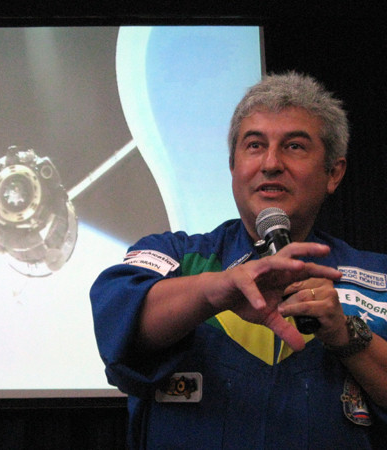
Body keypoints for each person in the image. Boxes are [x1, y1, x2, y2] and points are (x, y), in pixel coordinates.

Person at [90, 72, 387, 449]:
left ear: (334, 173)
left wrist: (344, 333)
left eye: (294, 146)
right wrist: (220, 289)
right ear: (233, 165)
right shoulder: (177, 257)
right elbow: (117, 322)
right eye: (254, 145)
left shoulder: (377, 277)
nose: (271, 163)